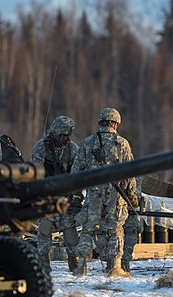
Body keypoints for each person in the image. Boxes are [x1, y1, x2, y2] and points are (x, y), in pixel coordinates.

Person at [72, 108, 136, 277]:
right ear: (115, 123)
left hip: (93, 194)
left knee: (87, 229)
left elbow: (76, 171)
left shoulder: (88, 142)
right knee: (115, 230)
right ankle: (114, 267)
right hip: (116, 195)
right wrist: (132, 195)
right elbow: (130, 173)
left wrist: (77, 194)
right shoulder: (122, 143)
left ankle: (81, 267)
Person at [31, 115, 81, 272]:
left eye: (68, 135)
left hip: (66, 196)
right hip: (47, 196)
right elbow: (36, 174)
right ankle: (44, 267)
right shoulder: (41, 147)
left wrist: (75, 195)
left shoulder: (72, 149)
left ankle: (76, 267)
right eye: (64, 135)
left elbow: (78, 172)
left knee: (71, 234)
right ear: (56, 133)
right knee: (44, 231)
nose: (67, 139)